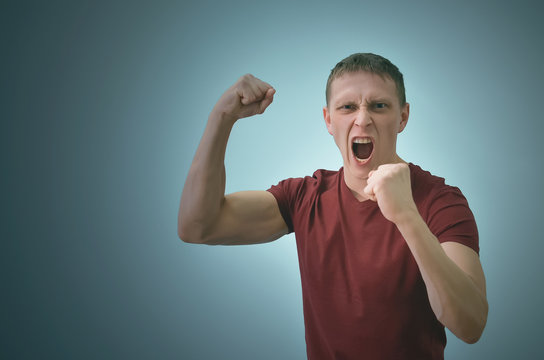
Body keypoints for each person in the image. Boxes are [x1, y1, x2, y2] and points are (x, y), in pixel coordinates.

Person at [178, 53, 488, 359]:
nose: (363, 119)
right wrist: (221, 117)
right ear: (329, 120)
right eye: (348, 107)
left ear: (403, 117)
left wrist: (407, 216)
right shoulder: (304, 197)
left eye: (379, 106)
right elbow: (198, 226)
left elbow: (470, 324)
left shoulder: (441, 202)